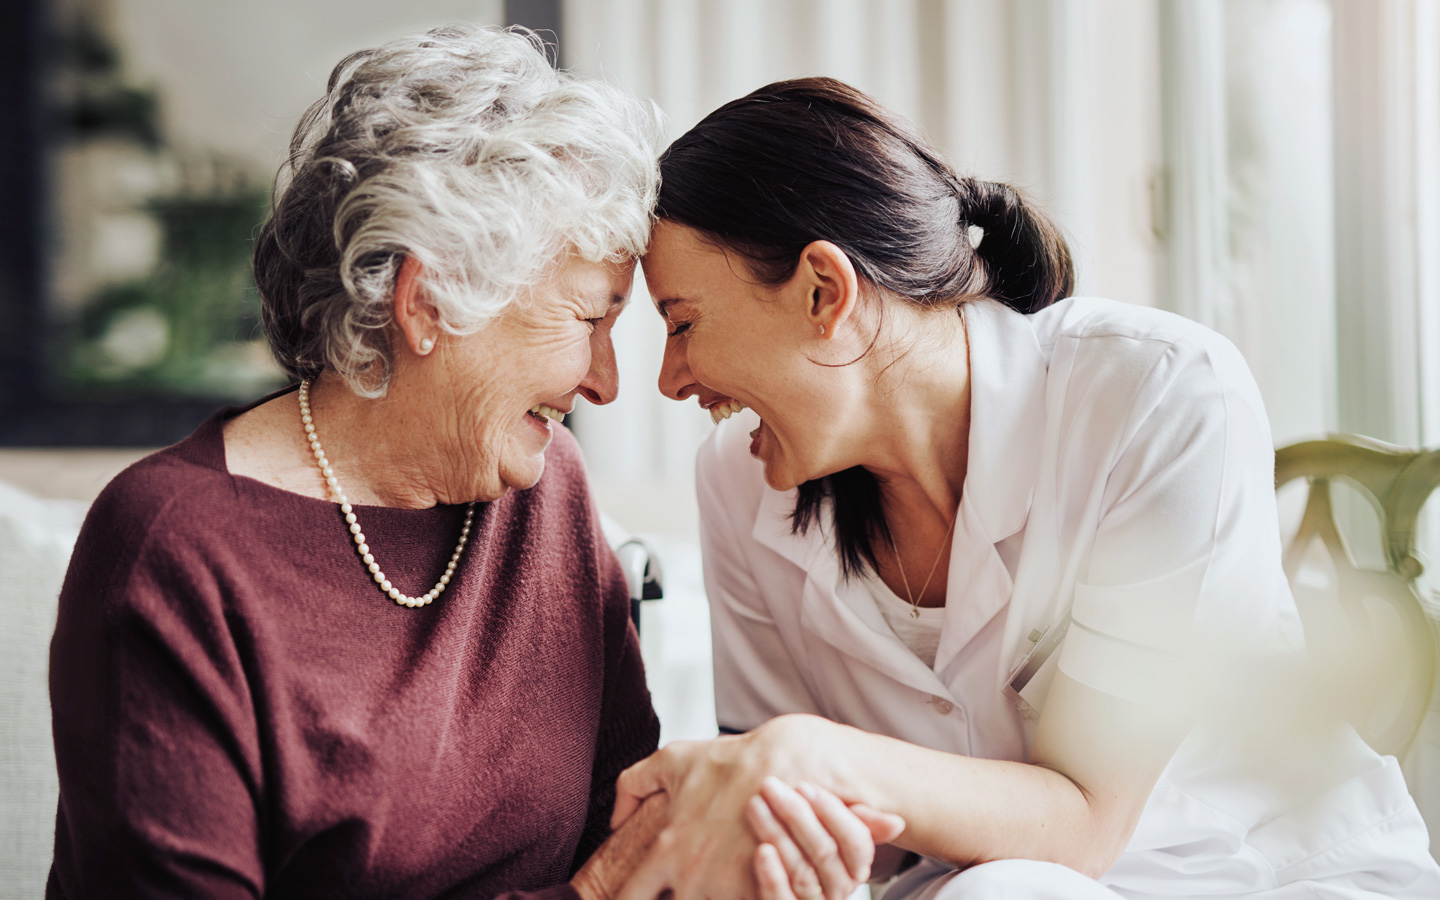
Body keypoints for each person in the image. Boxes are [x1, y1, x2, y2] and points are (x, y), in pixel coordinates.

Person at [46, 28, 887, 900]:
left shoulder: (543, 490)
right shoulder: (171, 551)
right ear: (427, 302)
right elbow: (616, 881)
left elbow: (638, 835)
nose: (605, 383)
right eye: (587, 320)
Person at [616, 77, 1440, 900]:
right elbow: (800, 829)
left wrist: (809, 755)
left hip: (1258, 876)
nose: (669, 379)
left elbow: (1085, 823)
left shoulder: (1158, 394)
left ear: (823, 291)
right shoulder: (737, 482)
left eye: (682, 323)